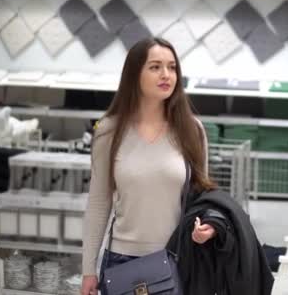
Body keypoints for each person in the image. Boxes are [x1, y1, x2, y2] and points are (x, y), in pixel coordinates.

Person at [81, 37, 217, 295]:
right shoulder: (108, 131)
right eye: (155, 67)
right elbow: (99, 202)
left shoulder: (192, 130)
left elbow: (202, 197)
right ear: (135, 74)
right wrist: (88, 269)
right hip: (121, 262)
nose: (166, 74)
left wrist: (209, 227)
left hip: (176, 259)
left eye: (172, 67)